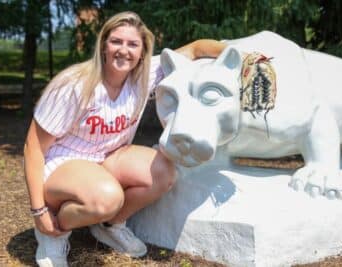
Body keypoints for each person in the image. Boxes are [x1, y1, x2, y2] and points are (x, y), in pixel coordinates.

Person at [23, 11, 226, 267]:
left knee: (164, 172)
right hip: (62, 165)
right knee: (108, 197)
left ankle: (110, 224)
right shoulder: (74, 84)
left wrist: (242, 55)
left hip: (107, 159)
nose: (124, 50)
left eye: (133, 44)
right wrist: (38, 211)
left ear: (142, 52)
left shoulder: (145, 75)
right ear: (103, 45)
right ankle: (54, 230)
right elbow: (33, 148)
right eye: (116, 41)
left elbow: (196, 49)